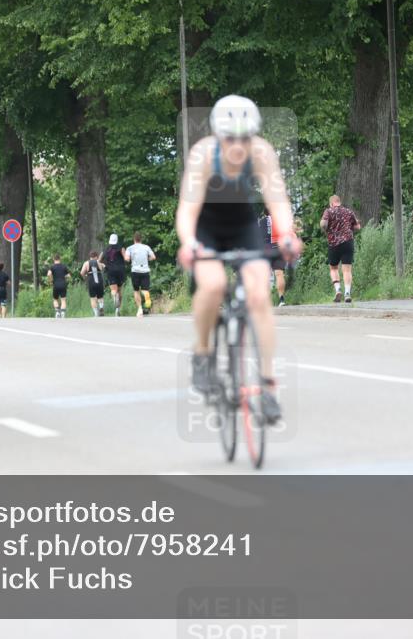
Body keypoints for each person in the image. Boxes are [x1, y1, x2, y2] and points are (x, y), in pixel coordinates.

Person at [175, 94, 301, 423]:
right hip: (206, 226)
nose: (238, 146)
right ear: (219, 135)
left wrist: (287, 234)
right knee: (214, 285)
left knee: (260, 294)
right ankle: (202, 354)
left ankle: (269, 386)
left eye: (245, 138)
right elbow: (187, 209)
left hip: (243, 224)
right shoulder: (203, 153)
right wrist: (189, 243)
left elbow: (277, 199)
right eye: (231, 138)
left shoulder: (262, 152)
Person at [320, 195, 360, 303]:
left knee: (333, 268)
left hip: (333, 244)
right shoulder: (349, 212)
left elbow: (323, 224)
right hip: (348, 242)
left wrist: (326, 229)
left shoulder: (328, 211)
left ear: (331, 203)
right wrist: (350, 227)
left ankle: (338, 290)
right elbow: (357, 227)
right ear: (339, 202)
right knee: (347, 269)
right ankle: (347, 293)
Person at [258, 208, 288, 306]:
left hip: (266, 248)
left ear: (265, 213)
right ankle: (282, 299)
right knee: (279, 274)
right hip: (278, 247)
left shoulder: (261, 222)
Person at [124, 232, 156, 318]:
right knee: (145, 289)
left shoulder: (129, 248)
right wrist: (147, 259)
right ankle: (147, 297)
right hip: (145, 271)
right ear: (141, 239)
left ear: (134, 239)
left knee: (136, 290)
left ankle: (140, 309)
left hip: (135, 271)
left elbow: (127, 259)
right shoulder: (146, 247)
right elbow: (153, 257)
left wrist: (127, 258)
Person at [101, 234, 126, 316]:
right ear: (117, 240)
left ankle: (115, 297)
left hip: (110, 270)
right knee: (120, 290)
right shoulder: (121, 248)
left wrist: (104, 265)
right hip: (120, 270)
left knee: (113, 290)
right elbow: (126, 258)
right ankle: (118, 308)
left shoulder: (106, 249)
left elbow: (99, 260)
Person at [80, 251, 106, 316]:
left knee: (92, 298)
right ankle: (101, 307)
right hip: (99, 280)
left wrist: (85, 277)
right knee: (100, 296)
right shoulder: (98, 262)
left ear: (90, 257)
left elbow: (82, 273)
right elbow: (103, 267)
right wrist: (101, 264)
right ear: (96, 256)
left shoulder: (86, 263)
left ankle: (95, 313)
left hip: (91, 280)